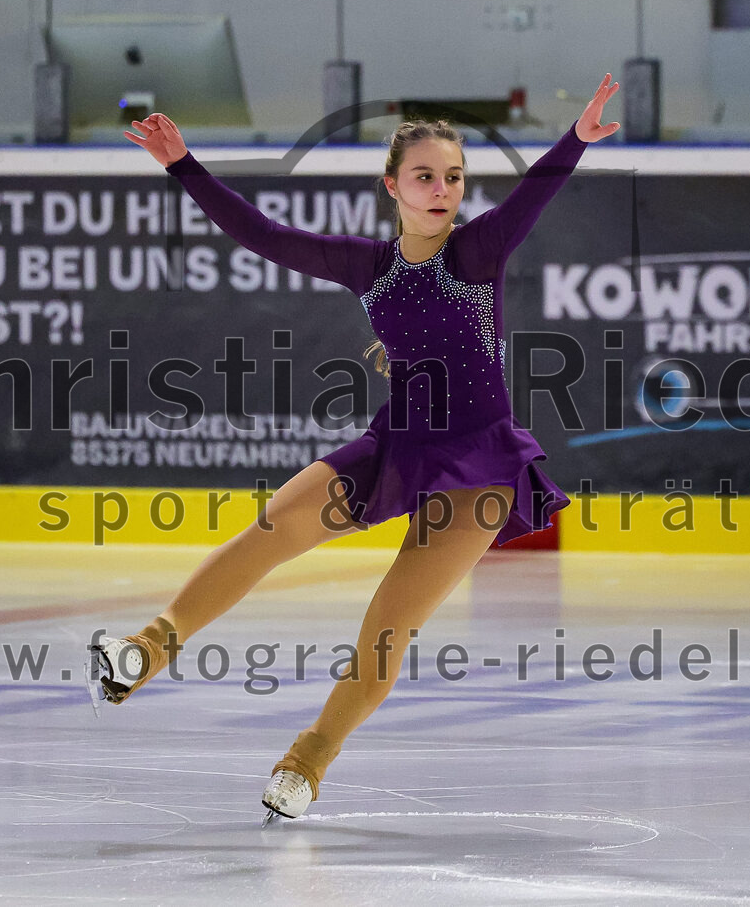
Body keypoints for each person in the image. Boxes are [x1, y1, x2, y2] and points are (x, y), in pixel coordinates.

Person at [90, 75, 620, 825]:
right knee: (274, 525)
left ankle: (306, 764)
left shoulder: (476, 251)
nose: (442, 190)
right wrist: (183, 164)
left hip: (478, 469)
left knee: (385, 629)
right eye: (425, 176)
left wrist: (577, 140)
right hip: (393, 446)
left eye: (454, 177)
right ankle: (145, 650)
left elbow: (533, 193)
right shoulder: (369, 266)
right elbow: (265, 236)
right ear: (392, 185)